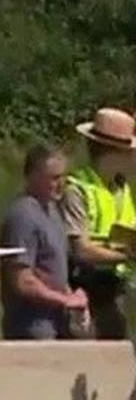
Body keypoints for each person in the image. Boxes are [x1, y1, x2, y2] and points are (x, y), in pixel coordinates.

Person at [60, 108, 136, 339]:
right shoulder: (77, 189)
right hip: (87, 289)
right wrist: (129, 255)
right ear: (111, 154)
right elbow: (80, 250)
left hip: (118, 289)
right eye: (128, 153)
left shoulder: (121, 187)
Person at [0, 145, 88, 339]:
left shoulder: (53, 212)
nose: (61, 184)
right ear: (33, 176)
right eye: (54, 178)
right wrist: (65, 300)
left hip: (58, 325)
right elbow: (22, 281)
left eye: (64, 177)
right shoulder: (23, 216)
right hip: (32, 328)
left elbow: (52, 270)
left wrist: (74, 298)